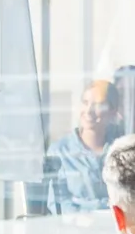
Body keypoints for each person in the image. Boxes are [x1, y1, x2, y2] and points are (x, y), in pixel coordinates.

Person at [42, 80, 121, 214]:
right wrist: (80, 218)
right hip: (76, 230)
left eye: (98, 105)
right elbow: (57, 203)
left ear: (113, 111)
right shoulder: (59, 152)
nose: (89, 111)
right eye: (85, 102)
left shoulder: (121, 148)